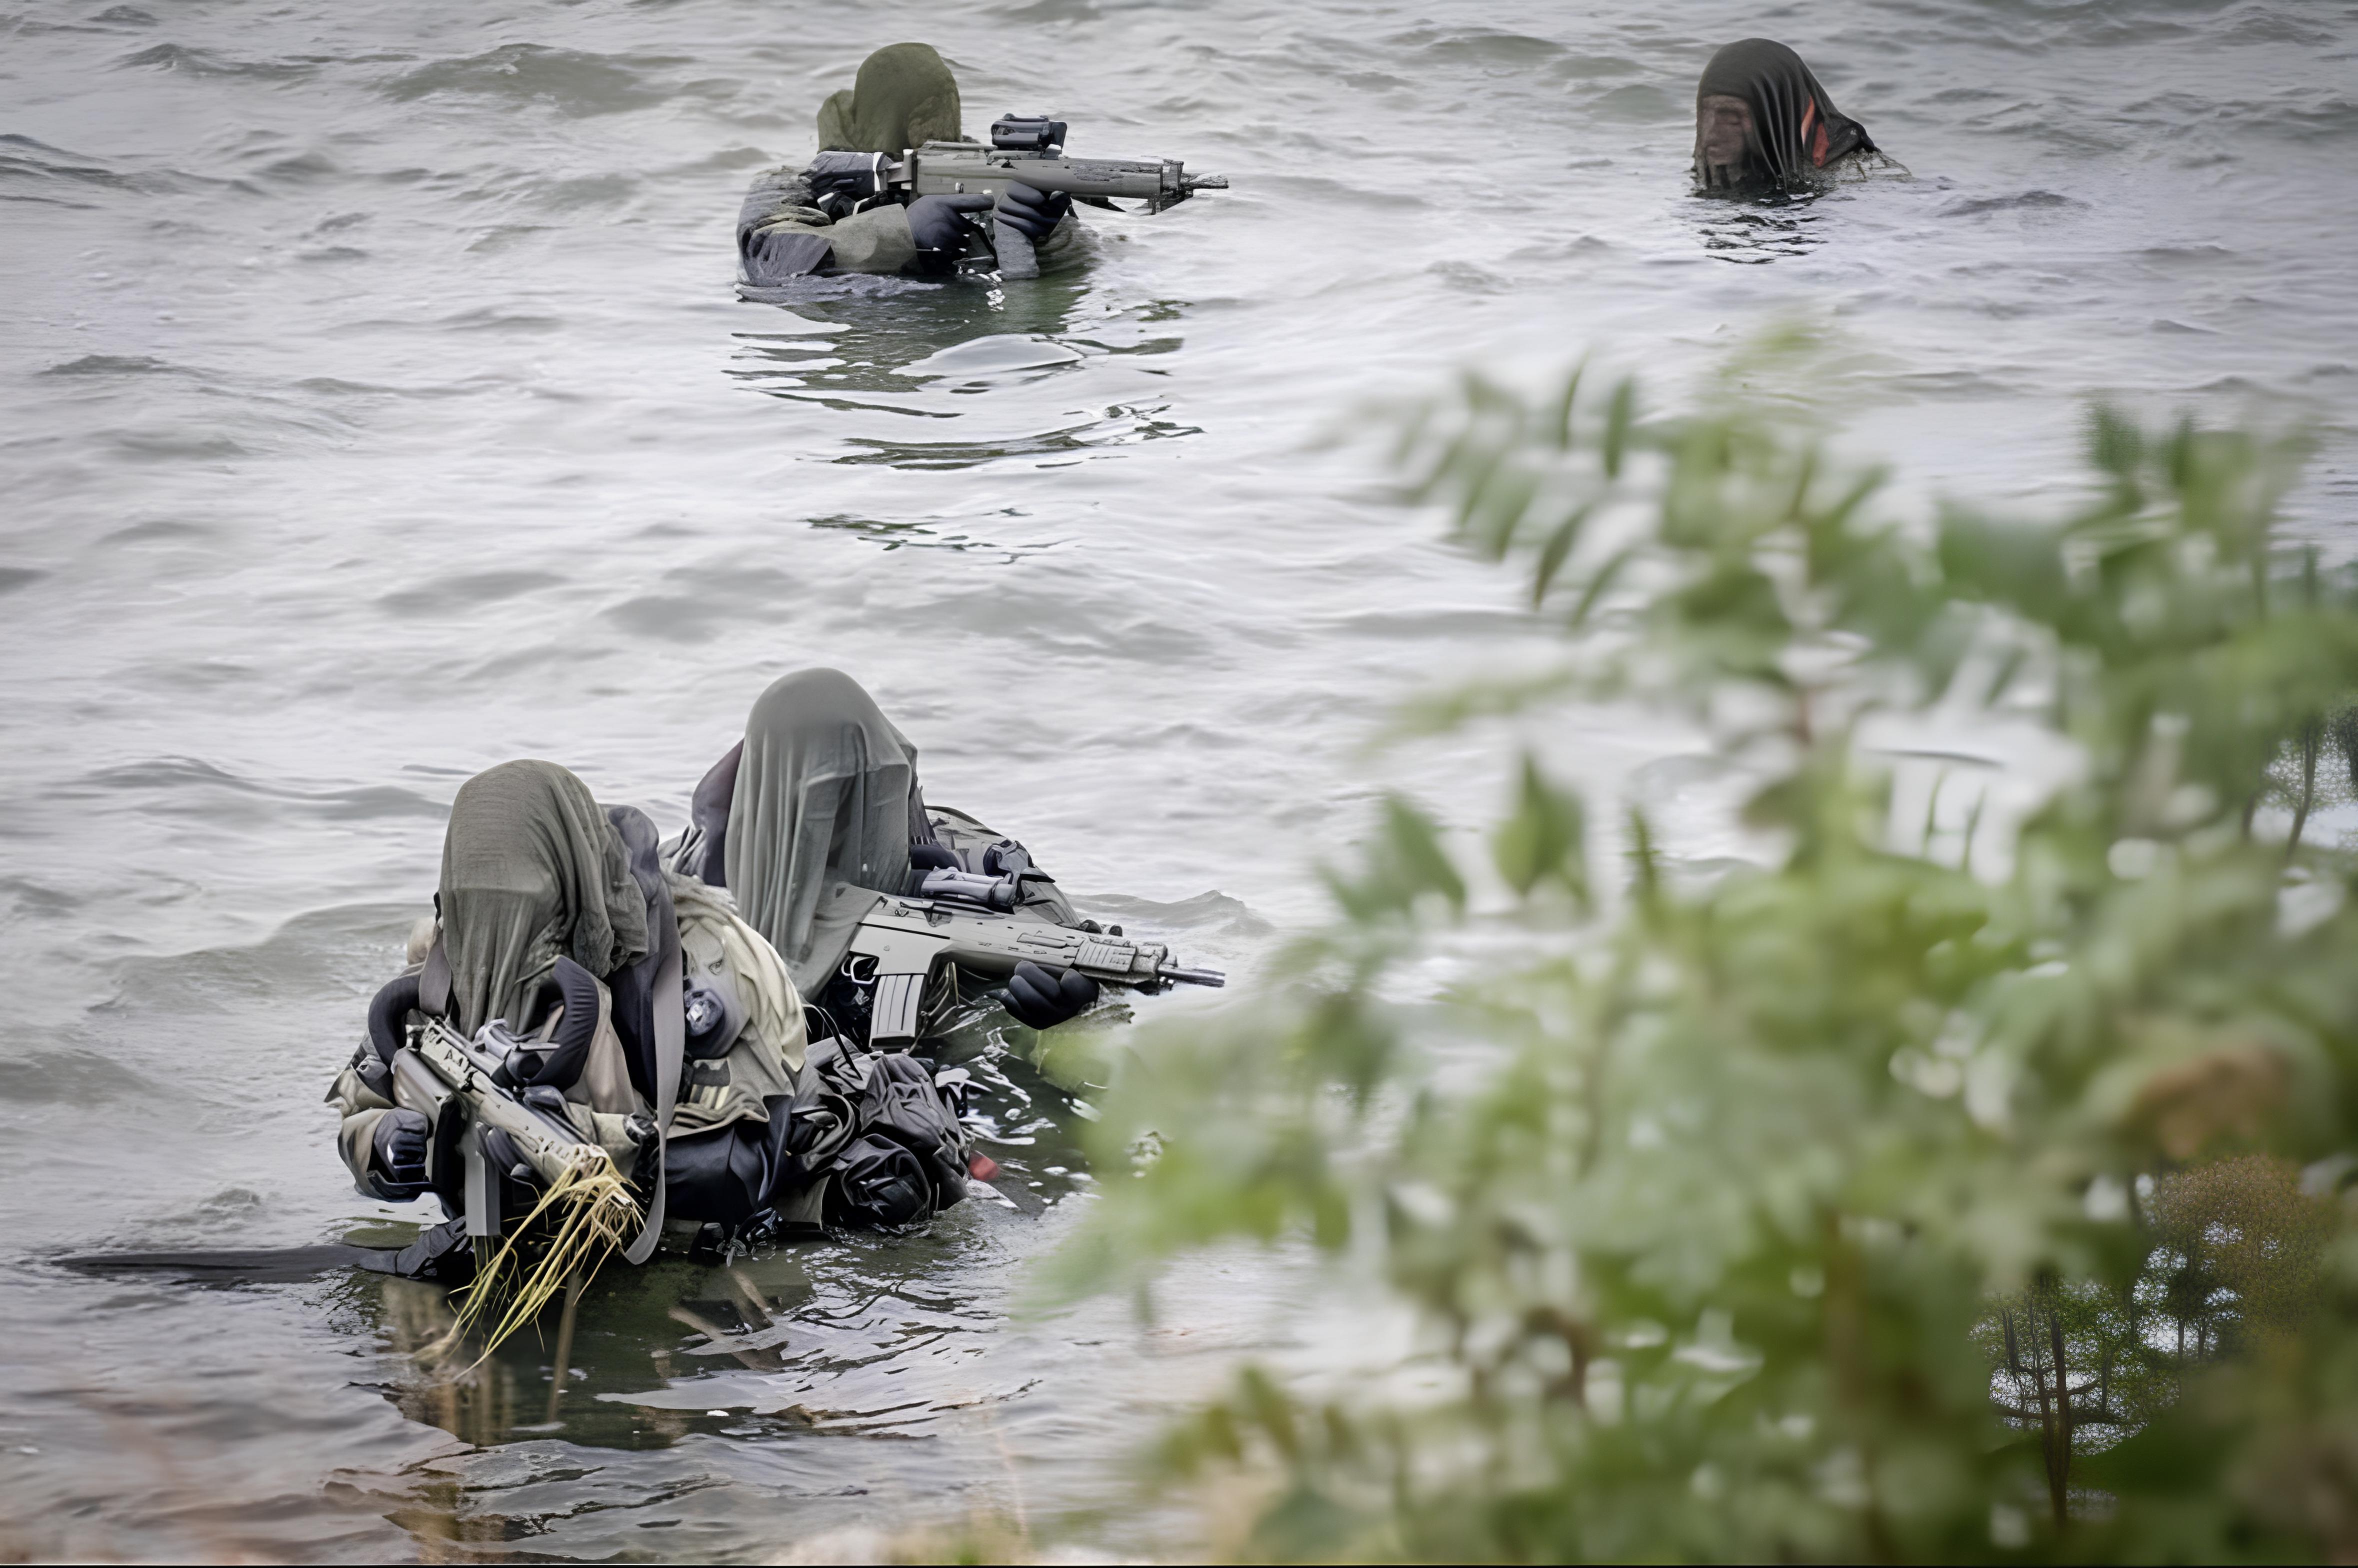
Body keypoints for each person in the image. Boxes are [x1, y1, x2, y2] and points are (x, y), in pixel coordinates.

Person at [672, 667, 1102, 1040]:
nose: (850, 821)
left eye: (865, 797)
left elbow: (1062, 939)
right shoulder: (683, 887)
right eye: (826, 806)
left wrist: (1072, 1008)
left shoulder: (969, 865)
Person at [736, 42, 1080, 284]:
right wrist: (903, 234)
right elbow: (767, 258)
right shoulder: (795, 185)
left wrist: (1041, 237)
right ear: (879, 116)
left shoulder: (987, 172)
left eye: (942, 110)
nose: (929, 129)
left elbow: (1069, 278)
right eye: (915, 115)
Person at [1692, 38, 1884, 193]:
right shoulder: (1726, 169)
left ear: (1774, 113)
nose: (1709, 137)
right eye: (1704, 117)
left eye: (1732, 119)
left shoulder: (1854, 175)